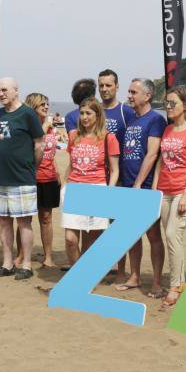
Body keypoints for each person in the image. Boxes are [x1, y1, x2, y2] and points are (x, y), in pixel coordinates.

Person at [114, 78, 166, 297]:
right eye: (128, 91)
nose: (129, 95)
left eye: (134, 92)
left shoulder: (155, 119)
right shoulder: (133, 120)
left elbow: (152, 153)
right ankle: (134, 276)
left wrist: (138, 184)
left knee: (153, 236)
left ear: (147, 96)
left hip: (144, 187)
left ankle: (156, 281)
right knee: (131, 236)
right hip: (127, 184)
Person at [0, 77, 44, 280]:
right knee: (3, 222)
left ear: (16, 90)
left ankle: (27, 265)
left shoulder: (28, 113)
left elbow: (39, 144)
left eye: (4, 90)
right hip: (0, 178)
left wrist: (31, 168)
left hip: (22, 178)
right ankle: (7, 263)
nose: (1, 94)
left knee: (24, 223)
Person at [151, 85, 186, 308]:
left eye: (173, 103)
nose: (168, 107)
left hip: (183, 190)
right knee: (169, 236)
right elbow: (161, 160)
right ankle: (178, 282)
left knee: (172, 234)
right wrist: (154, 188)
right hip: (165, 190)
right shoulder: (168, 130)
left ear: (185, 105)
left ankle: (176, 285)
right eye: (166, 103)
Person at [61, 97, 119, 267]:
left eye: (88, 113)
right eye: (82, 113)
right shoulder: (74, 136)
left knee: (91, 241)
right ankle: (77, 274)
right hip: (74, 189)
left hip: (96, 189)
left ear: (98, 115)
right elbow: (71, 164)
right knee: (70, 239)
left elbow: (115, 170)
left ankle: (83, 279)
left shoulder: (108, 138)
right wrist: (64, 185)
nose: (84, 117)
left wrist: (109, 191)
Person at [25, 92, 60, 268]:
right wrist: (44, 127)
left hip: (49, 177)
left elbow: (51, 154)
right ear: (33, 108)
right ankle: (22, 256)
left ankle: (48, 256)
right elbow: (28, 152)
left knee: (46, 217)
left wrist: (58, 173)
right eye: (42, 105)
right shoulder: (28, 128)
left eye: (47, 104)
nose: (46, 107)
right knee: (24, 219)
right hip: (30, 177)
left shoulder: (52, 128)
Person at [98, 69, 135, 152]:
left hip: (119, 163)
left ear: (117, 87)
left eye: (108, 85)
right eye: (101, 85)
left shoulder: (126, 112)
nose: (104, 89)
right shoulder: (94, 112)